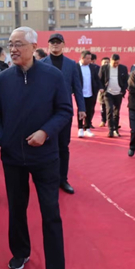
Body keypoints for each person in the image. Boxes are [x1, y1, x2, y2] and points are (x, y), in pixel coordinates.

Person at [0, 27, 71, 269]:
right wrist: (1, 138)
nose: (13, 49)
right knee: (16, 208)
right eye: (10, 44)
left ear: (34, 47)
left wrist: (45, 132)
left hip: (45, 156)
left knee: (51, 213)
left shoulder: (53, 76)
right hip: (13, 157)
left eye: (19, 44)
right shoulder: (2, 80)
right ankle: (20, 252)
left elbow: (64, 110)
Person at [40, 33, 86, 195]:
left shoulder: (71, 65)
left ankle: (62, 179)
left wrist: (81, 108)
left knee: (63, 146)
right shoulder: (41, 64)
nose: (55, 45)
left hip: (64, 111)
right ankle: (46, 177)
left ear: (63, 45)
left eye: (58, 42)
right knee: (45, 144)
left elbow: (77, 87)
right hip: (45, 112)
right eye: (52, 42)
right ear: (48, 45)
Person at [99, 54, 128, 137]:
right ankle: (111, 130)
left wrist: (123, 90)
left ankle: (116, 129)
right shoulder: (104, 68)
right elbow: (99, 79)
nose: (116, 65)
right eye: (114, 63)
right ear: (110, 61)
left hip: (118, 93)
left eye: (117, 63)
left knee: (116, 112)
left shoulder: (123, 68)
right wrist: (101, 88)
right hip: (108, 93)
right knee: (109, 110)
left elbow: (126, 81)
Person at [76, 50, 102, 137]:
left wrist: (100, 87)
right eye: (87, 59)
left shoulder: (92, 67)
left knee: (90, 110)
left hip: (91, 92)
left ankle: (87, 128)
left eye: (90, 59)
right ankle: (80, 128)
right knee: (81, 110)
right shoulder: (76, 67)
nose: (89, 60)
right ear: (82, 58)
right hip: (80, 93)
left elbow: (96, 79)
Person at [97, 57, 110, 127]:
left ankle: (113, 122)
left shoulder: (112, 70)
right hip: (102, 91)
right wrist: (101, 88)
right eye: (105, 62)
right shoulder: (99, 70)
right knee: (103, 107)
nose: (106, 63)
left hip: (111, 91)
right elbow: (98, 80)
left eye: (107, 62)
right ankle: (103, 120)